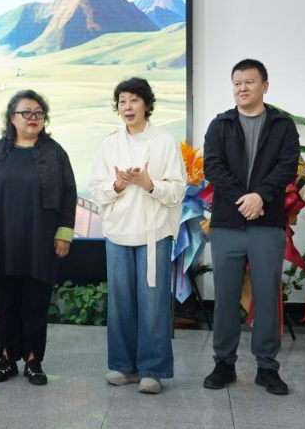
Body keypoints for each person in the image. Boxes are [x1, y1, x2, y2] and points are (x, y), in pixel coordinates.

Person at [202, 59, 299, 395]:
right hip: (227, 223)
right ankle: (224, 363)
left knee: (267, 296)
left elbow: (287, 166)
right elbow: (213, 167)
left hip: (267, 224)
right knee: (226, 296)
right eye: (237, 83)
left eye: (249, 82)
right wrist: (244, 199)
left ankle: (267, 367)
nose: (242, 88)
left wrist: (261, 196)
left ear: (265, 86)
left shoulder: (283, 125)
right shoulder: (220, 124)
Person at [0, 90, 77, 386]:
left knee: (35, 301)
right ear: (12, 117)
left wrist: (64, 234)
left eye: (39, 113)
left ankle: (33, 360)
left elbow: (69, 194)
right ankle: (7, 358)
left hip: (40, 238)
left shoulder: (55, 153)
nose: (33, 118)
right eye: (26, 113)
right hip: (1, 236)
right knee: (5, 301)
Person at [89, 78, 185, 395]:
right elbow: (96, 190)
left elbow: (178, 191)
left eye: (133, 100)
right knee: (120, 302)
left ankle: (152, 370)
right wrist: (117, 185)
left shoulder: (164, 142)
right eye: (122, 101)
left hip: (153, 233)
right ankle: (122, 366)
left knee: (153, 302)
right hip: (118, 232)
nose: (127, 107)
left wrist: (149, 183)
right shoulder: (109, 144)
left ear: (146, 104)